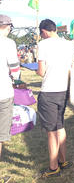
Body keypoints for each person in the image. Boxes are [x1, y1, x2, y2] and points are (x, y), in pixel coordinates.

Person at [36, 19, 74, 178]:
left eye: (41, 33)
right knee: (60, 125)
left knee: (51, 131)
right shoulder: (68, 44)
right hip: (63, 90)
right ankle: (63, 160)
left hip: (49, 91)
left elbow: (41, 71)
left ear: (44, 31)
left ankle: (53, 167)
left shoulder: (43, 45)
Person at [0, 15, 20, 162]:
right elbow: (14, 67)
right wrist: (16, 79)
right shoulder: (8, 43)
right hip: (3, 92)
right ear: (8, 27)